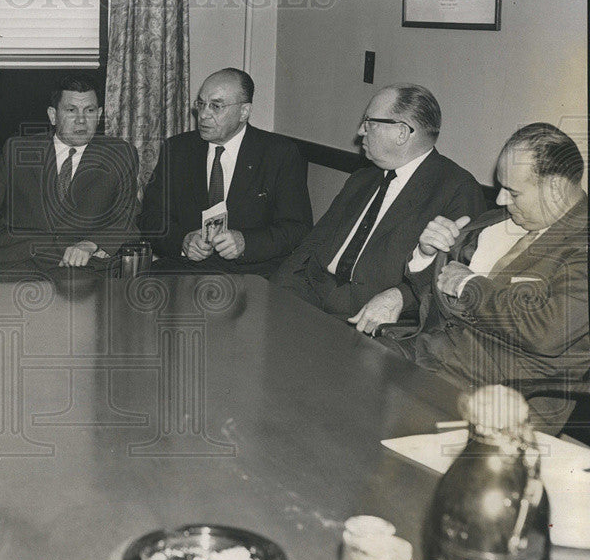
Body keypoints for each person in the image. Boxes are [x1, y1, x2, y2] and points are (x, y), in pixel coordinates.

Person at [381, 123, 588, 435]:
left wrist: (469, 285)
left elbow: (548, 329)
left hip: (497, 401)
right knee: (344, 371)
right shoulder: (498, 221)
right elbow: (436, 292)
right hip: (425, 358)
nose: (501, 199)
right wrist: (426, 253)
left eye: (514, 192)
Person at [272, 84, 486, 328]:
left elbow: (452, 272)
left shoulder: (456, 188)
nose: (360, 130)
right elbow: (312, 244)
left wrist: (401, 296)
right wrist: (277, 291)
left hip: (371, 320)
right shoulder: (362, 179)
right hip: (309, 297)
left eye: (369, 121)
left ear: (402, 133)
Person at [137, 68, 312, 276]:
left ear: (244, 112)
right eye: (201, 104)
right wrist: (183, 241)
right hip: (185, 270)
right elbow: (150, 218)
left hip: (252, 274)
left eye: (216, 106)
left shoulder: (278, 153)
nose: (203, 115)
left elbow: (297, 228)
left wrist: (246, 242)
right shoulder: (178, 149)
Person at [0, 73, 139, 270]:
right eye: (71, 110)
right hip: (13, 262)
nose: (81, 120)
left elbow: (127, 216)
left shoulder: (120, 154)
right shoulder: (19, 149)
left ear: (100, 114)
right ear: (53, 115)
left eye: (90, 110)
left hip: (76, 266)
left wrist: (90, 244)